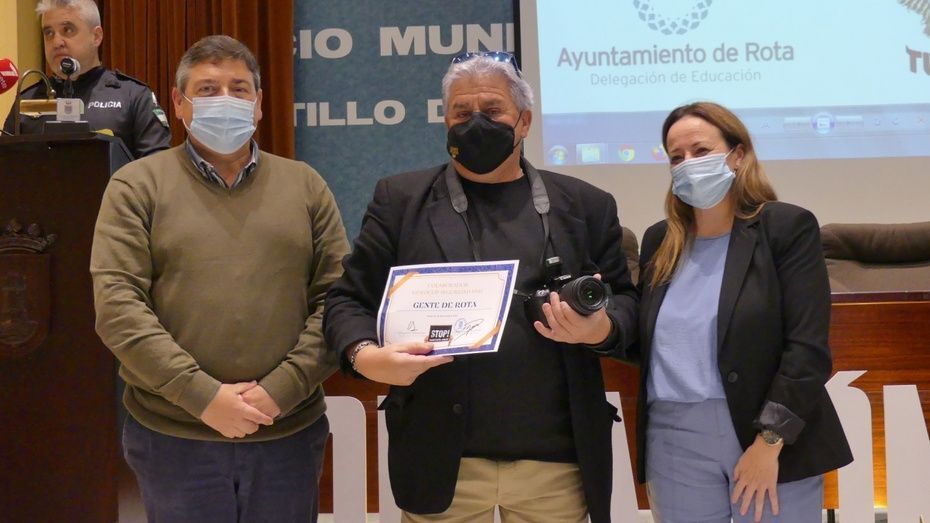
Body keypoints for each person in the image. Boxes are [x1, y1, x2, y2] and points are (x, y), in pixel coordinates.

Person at [323, 51, 639, 523]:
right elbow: (348, 300)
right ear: (445, 120)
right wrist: (365, 356)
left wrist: (600, 330)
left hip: (556, 465)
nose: (476, 123)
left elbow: (628, 302)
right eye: (461, 112)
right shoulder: (400, 201)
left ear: (524, 121)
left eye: (492, 111)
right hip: (441, 461)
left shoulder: (585, 205)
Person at [90, 35, 349, 522]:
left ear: (259, 104)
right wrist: (202, 397)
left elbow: (337, 301)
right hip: (174, 438)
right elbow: (119, 309)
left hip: (286, 434)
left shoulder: (305, 186)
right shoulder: (135, 186)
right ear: (178, 103)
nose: (224, 100)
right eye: (207, 89)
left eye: (239, 88)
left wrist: (281, 389)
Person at [631, 101, 853, 522]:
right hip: (673, 438)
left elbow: (806, 350)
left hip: (767, 434)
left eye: (701, 151)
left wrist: (769, 442)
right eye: (676, 157)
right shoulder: (660, 240)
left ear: (737, 155)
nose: (687, 164)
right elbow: (648, 341)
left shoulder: (785, 228)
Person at [3, 0, 170, 158]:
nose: (56, 42)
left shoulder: (132, 96)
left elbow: (157, 168)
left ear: (96, 36)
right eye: (49, 33)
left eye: (67, 30)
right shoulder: (26, 101)